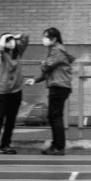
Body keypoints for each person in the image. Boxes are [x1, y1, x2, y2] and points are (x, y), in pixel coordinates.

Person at [24, 28, 75, 156]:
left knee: (55, 117)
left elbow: (47, 66)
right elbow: (47, 71)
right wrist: (34, 80)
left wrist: (43, 63)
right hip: (58, 86)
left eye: (46, 37)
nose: (44, 39)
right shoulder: (54, 51)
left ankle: (59, 146)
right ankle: (56, 145)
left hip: (59, 86)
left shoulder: (57, 50)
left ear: (54, 39)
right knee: (53, 117)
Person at [0, 32, 30, 155]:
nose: (10, 43)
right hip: (2, 91)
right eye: (7, 41)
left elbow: (26, 37)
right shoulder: (0, 54)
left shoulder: (18, 52)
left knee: (11, 120)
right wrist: (3, 39)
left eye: (12, 40)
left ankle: (5, 145)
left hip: (16, 90)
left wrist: (15, 36)